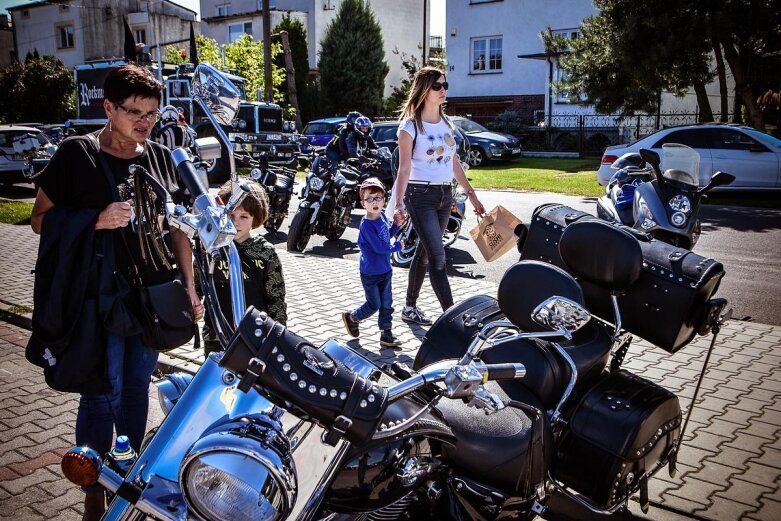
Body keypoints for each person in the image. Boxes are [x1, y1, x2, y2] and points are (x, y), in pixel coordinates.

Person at [29, 64, 203, 520]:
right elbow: (39, 219)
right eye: (133, 112)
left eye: (152, 111)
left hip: (151, 299)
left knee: (135, 390)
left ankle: (124, 475)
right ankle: (92, 484)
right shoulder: (76, 155)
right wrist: (94, 219)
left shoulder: (163, 156)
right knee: (101, 391)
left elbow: (177, 230)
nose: (144, 120)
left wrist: (189, 285)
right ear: (108, 107)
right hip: (96, 298)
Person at [393, 66, 485, 326]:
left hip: (445, 194)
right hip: (419, 195)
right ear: (424, 89)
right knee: (438, 258)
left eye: (445, 85)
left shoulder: (446, 123)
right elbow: (404, 168)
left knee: (425, 252)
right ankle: (454, 319)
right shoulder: (409, 127)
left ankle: (409, 307)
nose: (443, 90)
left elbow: (453, 161)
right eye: (437, 86)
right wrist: (399, 203)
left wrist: (471, 194)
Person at [202, 179, 287, 356]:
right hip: (216, 335)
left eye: (244, 217)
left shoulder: (265, 253)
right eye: (230, 216)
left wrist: (278, 338)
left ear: (255, 218)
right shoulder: (211, 248)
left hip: (255, 336)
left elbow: (276, 300)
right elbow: (197, 286)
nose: (236, 223)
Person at [342, 177, 404, 348]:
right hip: (370, 273)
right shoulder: (367, 225)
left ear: (384, 200)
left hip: (385, 270)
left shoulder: (382, 216)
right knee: (374, 304)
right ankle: (352, 317)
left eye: (378, 198)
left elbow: (386, 235)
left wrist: (396, 226)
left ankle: (386, 334)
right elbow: (380, 247)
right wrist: (397, 246)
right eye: (369, 198)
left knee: (386, 304)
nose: (374, 202)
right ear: (363, 203)